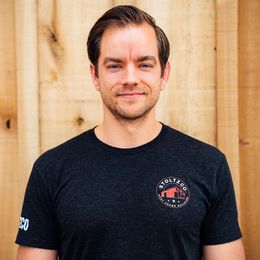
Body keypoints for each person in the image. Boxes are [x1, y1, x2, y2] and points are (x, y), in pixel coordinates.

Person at [16, 5, 245, 260]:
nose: (131, 78)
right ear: (95, 75)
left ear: (164, 74)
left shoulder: (208, 165)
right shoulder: (51, 170)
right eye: (115, 66)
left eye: (144, 64)